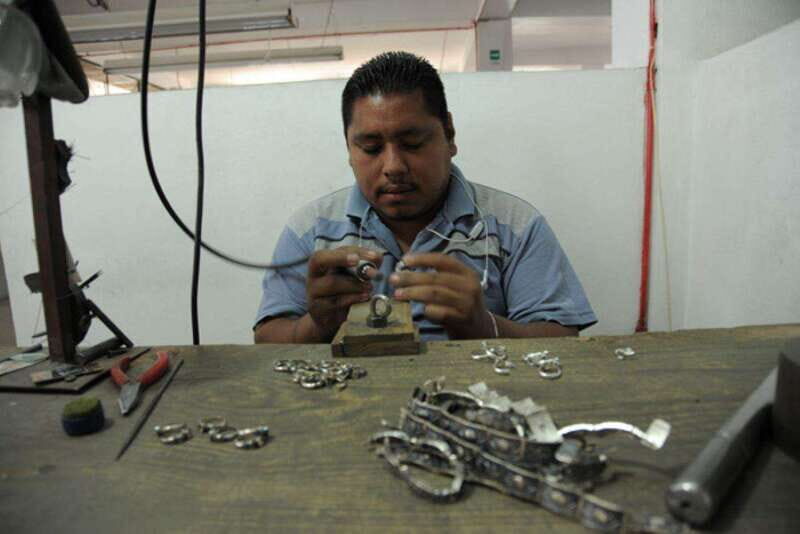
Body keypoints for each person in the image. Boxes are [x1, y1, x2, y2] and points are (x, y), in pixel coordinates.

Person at [254, 51, 596, 343]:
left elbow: (563, 339)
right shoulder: (310, 230)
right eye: (371, 148)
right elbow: (267, 338)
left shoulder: (515, 225)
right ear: (348, 148)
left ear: (448, 134)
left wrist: (483, 325)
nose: (393, 167)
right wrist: (317, 325)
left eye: (413, 144)